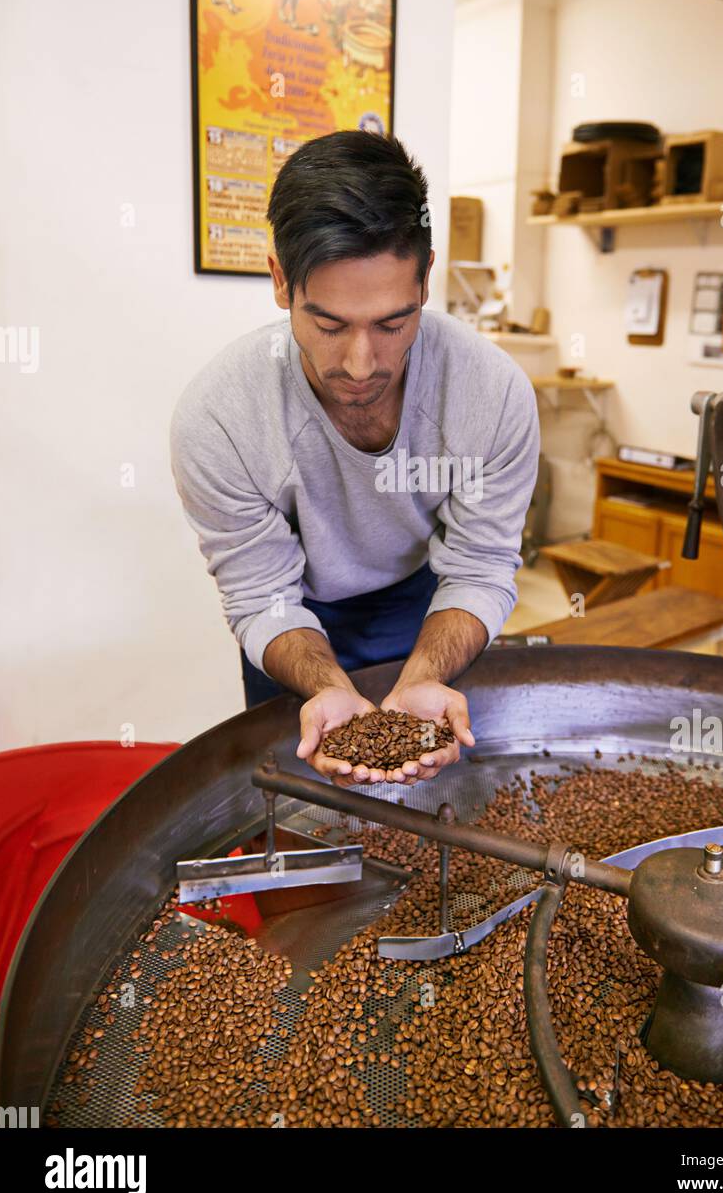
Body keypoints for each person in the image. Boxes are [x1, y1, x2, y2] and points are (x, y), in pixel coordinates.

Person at [171, 130, 539, 788]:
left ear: (425, 281)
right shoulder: (219, 416)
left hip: (428, 601)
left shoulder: (490, 392)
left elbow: (480, 565)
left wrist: (424, 676)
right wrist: (329, 688)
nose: (360, 364)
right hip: (295, 617)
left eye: (392, 324)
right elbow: (259, 595)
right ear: (281, 281)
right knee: (307, 806)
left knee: (434, 804)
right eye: (331, 324)